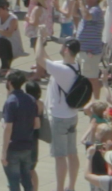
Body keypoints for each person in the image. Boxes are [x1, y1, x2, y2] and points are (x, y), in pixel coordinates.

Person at [36, 35, 81, 191]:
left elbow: (39, 59)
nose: (60, 48)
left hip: (59, 118)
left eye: (62, 46)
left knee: (60, 156)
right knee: (72, 153)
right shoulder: (74, 66)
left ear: (67, 50)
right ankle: (71, 187)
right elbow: (47, 61)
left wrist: (39, 39)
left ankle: (60, 189)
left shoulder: (62, 69)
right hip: (72, 116)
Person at [1, 70, 38, 191]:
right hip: (27, 146)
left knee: (13, 182)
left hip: (13, 148)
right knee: (27, 180)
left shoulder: (11, 102)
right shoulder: (31, 100)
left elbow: (8, 128)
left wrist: (3, 152)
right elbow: (36, 124)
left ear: (10, 83)